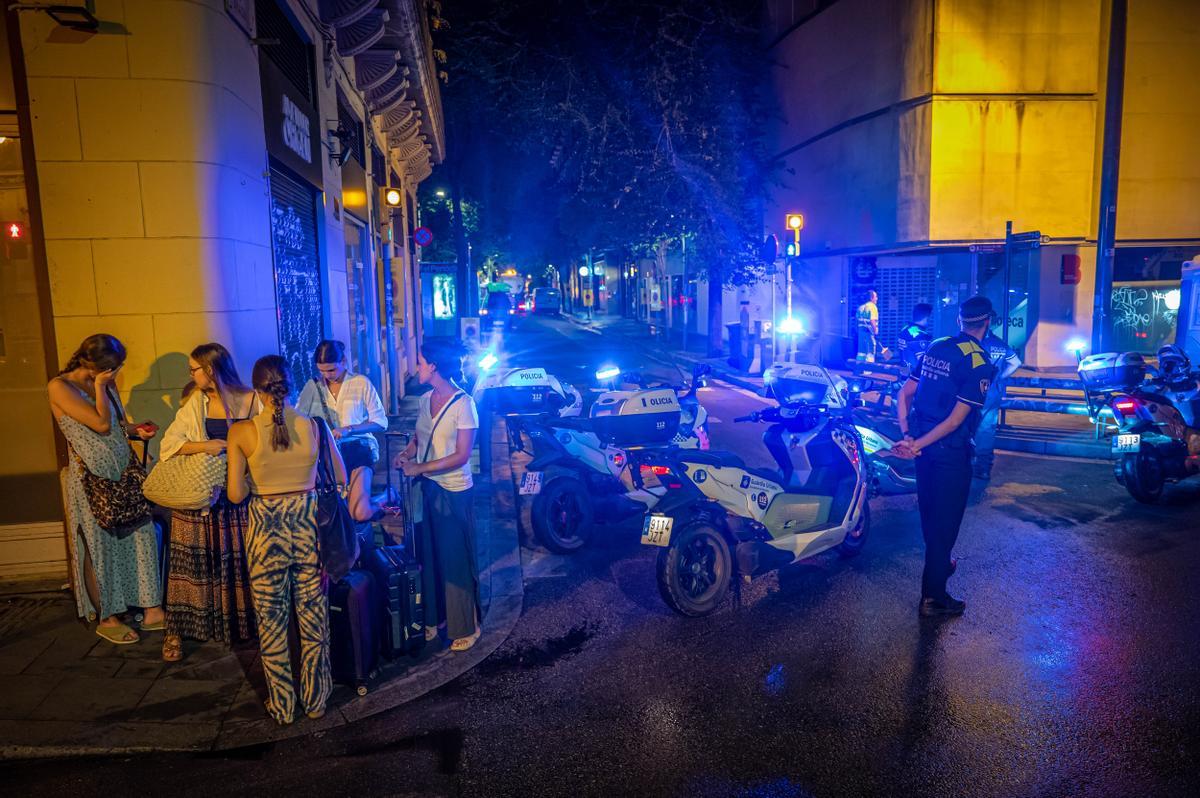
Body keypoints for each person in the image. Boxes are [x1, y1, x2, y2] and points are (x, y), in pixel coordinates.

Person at [227, 355, 346, 725]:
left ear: (256, 389)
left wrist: (254, 478)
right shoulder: (314, 426)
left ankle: (282, 706)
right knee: (313, 620)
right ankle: (315, 699)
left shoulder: (241, 432)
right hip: (308, 531)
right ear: (291, 386)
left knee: (271, 622)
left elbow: (234, 495)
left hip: (265, 536)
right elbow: (339, 475)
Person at [47, 334, 164, 644]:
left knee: (141, 536)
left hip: (122, 474)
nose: (116, 373)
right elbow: (98, 424)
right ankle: (107, 616)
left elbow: (114, 423)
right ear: (93, 364)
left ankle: (151, 606)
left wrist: (135, 430)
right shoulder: (60, 387)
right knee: (101, 546)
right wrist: (100, 386)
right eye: (112, 368)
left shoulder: (105, 384)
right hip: (91, 478)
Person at [893, 296, 997, 618]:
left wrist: (909, 436)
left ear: (959, 321)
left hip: (923, 450)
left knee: (929, 516)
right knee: (945, 524)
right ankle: (933, 598)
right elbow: (954, 421)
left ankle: (940, 567)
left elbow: (904, 394)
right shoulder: (980, 362)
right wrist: (917, 441)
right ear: (988, 323)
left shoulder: (937, 345)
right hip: (948, 454)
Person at [157, 343, 259, 662]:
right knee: (195, 566)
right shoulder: (195, 402)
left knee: (239, 561)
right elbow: (170, 445)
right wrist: (207, 445)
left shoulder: (251, 399)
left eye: (194, 369)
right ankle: (181, 629)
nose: (191, 375)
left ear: (210, 369)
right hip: (202, 495)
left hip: (238, 496)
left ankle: (239, 627)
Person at [396, 338, 482, 652]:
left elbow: (461, 455)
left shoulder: (464, 404)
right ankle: (435, 618)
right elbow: (420, 439)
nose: (414, 367)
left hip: (454, 491)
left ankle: (466, 626)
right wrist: (407, 453)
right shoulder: (425, 399)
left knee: (456, 560)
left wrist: (420, 469)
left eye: (419, 362)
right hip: (428, 489)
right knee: (429, 555)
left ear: (433, 366)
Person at [296, 340, 391, 522]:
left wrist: (349, 429)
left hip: (358, 448)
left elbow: (381, 422)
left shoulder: (360, 382)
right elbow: (299, 418)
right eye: (322, 370)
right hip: (326, 454)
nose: (327, 375)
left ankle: (387, 497)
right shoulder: (312, 387)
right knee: (334, 514)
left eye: (331, 370)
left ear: (344, 361)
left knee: (359, 512)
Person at [972, 322, 1022, 482]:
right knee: (986, 430)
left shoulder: (974, 343)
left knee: (966, 427)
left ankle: (967, 465)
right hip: (992, 393)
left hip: (971, 394)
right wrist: (1001, 376)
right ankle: (983, 468)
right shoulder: (999, 344)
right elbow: (1016, 363)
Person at [896, 303, 933, 375]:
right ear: (927, 318)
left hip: (904, 373)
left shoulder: (905, 329)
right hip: (915, 377)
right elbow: (922, 362)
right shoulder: (921, 335)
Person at [856, 290, 880, 362]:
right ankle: (868, 369)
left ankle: (859, 368)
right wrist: (875, 331)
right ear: (871, 298)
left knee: (861, 352)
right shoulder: (872, 307)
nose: (877, 298)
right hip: (869, 333)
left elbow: (856, 321)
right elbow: (872, 320)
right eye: (875, 297)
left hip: (861, 333)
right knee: (870, 351)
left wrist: (858, 331)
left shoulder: (860, 308)